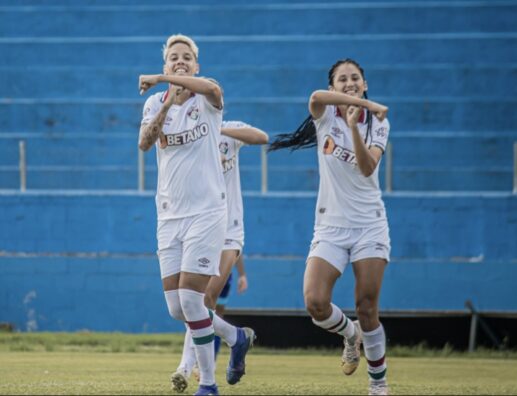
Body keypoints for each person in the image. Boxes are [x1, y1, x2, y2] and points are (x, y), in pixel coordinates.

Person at [138, 34, 256, 396]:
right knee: (177, 309)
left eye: (186, 57)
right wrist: (163, 103)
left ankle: (207, 384)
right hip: (169, 215)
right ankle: (235, 336)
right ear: (165, 63)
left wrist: (164, 81)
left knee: (193, 301)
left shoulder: (208, 98)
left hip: (207, 213)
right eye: (173, 58)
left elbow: (211, 88)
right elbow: (145, 142)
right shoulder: (155, 103)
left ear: (196, 65)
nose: (180, 61)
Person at [269, 59, 391, 396]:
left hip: (369, 225)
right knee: (315, 302)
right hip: (330, 226)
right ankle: (350, 335)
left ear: (364, 83)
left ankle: (378, 384)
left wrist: (355, 124)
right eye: (343, 79)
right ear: (334, 87)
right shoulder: (323, 113)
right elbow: (314, 96)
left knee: (367, 306)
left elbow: (367, 168)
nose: (350, 82)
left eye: (355, 78)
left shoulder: (378, 123)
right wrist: (364, 105)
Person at [171, 120, 268, 393]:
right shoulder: (185, 135)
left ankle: (188, 368)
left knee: (206, 299)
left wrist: (218, 129)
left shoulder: (228, 128)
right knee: (192, 302)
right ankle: (236, 339)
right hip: (199, 226)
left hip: (229, 229)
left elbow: (261, 136)